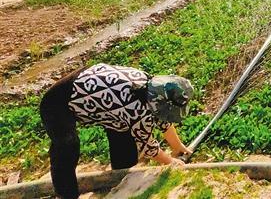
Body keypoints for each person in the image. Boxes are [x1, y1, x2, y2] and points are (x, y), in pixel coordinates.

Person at [40, 63, 194, 199]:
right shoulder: (136, 109)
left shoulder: (149, 85)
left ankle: (119, 176)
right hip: (58, 102)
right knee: (67, 148)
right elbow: (149, 149)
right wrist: (171, 162)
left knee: (123, 134)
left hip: (99, 97)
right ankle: (66, 194)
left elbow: (163, 121)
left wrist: (178, 146)